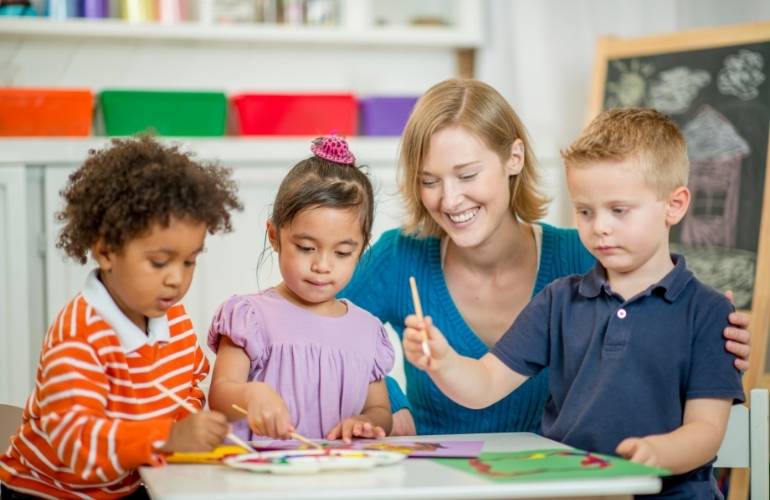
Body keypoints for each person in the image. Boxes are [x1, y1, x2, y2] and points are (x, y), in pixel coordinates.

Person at [340, 78, 752, 436]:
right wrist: (390, 405)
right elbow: (318, 331)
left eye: (467, 175)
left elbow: (665, 316)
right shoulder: (400, 255)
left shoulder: (587, 254)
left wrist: (709, 338)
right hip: (436, 478)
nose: (449, 200)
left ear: (513, 158)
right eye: (429, 181)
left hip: (558, 480)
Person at [404, 107, 743, 498]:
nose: (599, 226)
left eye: (619, 210)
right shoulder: (559, 301)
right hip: (573, 490)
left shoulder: (708, 312)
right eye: (584, 211)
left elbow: (706, 431)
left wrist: (657, 453)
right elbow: (484, 385)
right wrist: (443, 361)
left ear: (675, 205)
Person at [0, 136, 242, 499]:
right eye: (159, 262)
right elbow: (78, 446)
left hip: (125, 485)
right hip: (48, 493)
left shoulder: (173, 316)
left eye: (189, 261)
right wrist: (168, 437)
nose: (176, 278)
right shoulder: (79, 334)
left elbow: (189, 384)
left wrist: (198, 425)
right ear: (106, 250)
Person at [207, 136, 394, 443]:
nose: (323, 265)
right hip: (261, 481)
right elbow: (220, 394)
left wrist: (367, 422)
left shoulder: (367, 331)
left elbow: (379, 410)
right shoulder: (250, 317)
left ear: (362, 248)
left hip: (339, 480)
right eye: (306, 247)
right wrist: (250, 395)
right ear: (274, 235)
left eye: (343, 253)